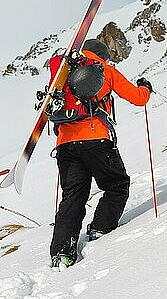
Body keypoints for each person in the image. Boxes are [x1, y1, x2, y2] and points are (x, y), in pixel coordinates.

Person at [48, 39, 152, 268]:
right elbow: (138, 98)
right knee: (116, 184)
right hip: (96, 138)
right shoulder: (105, 70)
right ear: (101, 55)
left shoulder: (63, 71)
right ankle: (100, 229)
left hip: (65, 144)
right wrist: (145, 87)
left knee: (73, 196)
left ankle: (62, 253)